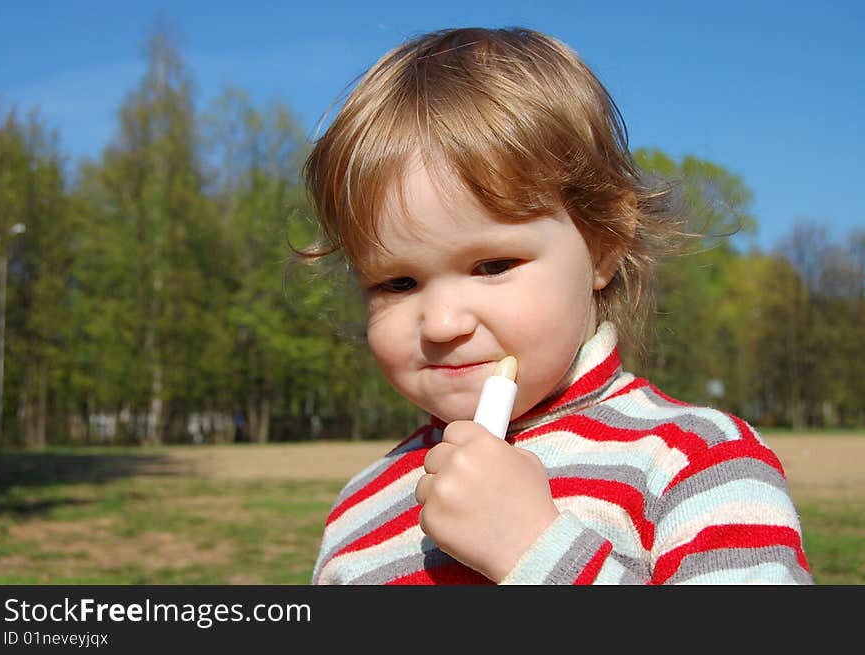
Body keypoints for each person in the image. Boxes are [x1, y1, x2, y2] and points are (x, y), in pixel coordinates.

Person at [301, 27, 813, 584]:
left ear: (604, 243)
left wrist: (535, 551)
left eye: (493, 266)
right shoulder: (358, 514)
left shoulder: (696, 462)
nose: (442, 323)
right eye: (397, 283)